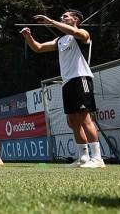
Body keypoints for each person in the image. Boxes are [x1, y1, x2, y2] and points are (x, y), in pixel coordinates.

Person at [21, 10, 105, 168]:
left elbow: (75, 32)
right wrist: (28, 37)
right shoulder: (60, 40)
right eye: (61, 16)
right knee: (73, 121)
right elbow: (38, 48)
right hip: (67, 83)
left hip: (81, 79)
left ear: (76, 19)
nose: (62, 17)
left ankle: (98, 158)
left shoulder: (81, 33)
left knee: (84, 117)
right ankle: (83, 158)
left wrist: (50, 21)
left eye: (66, 16)